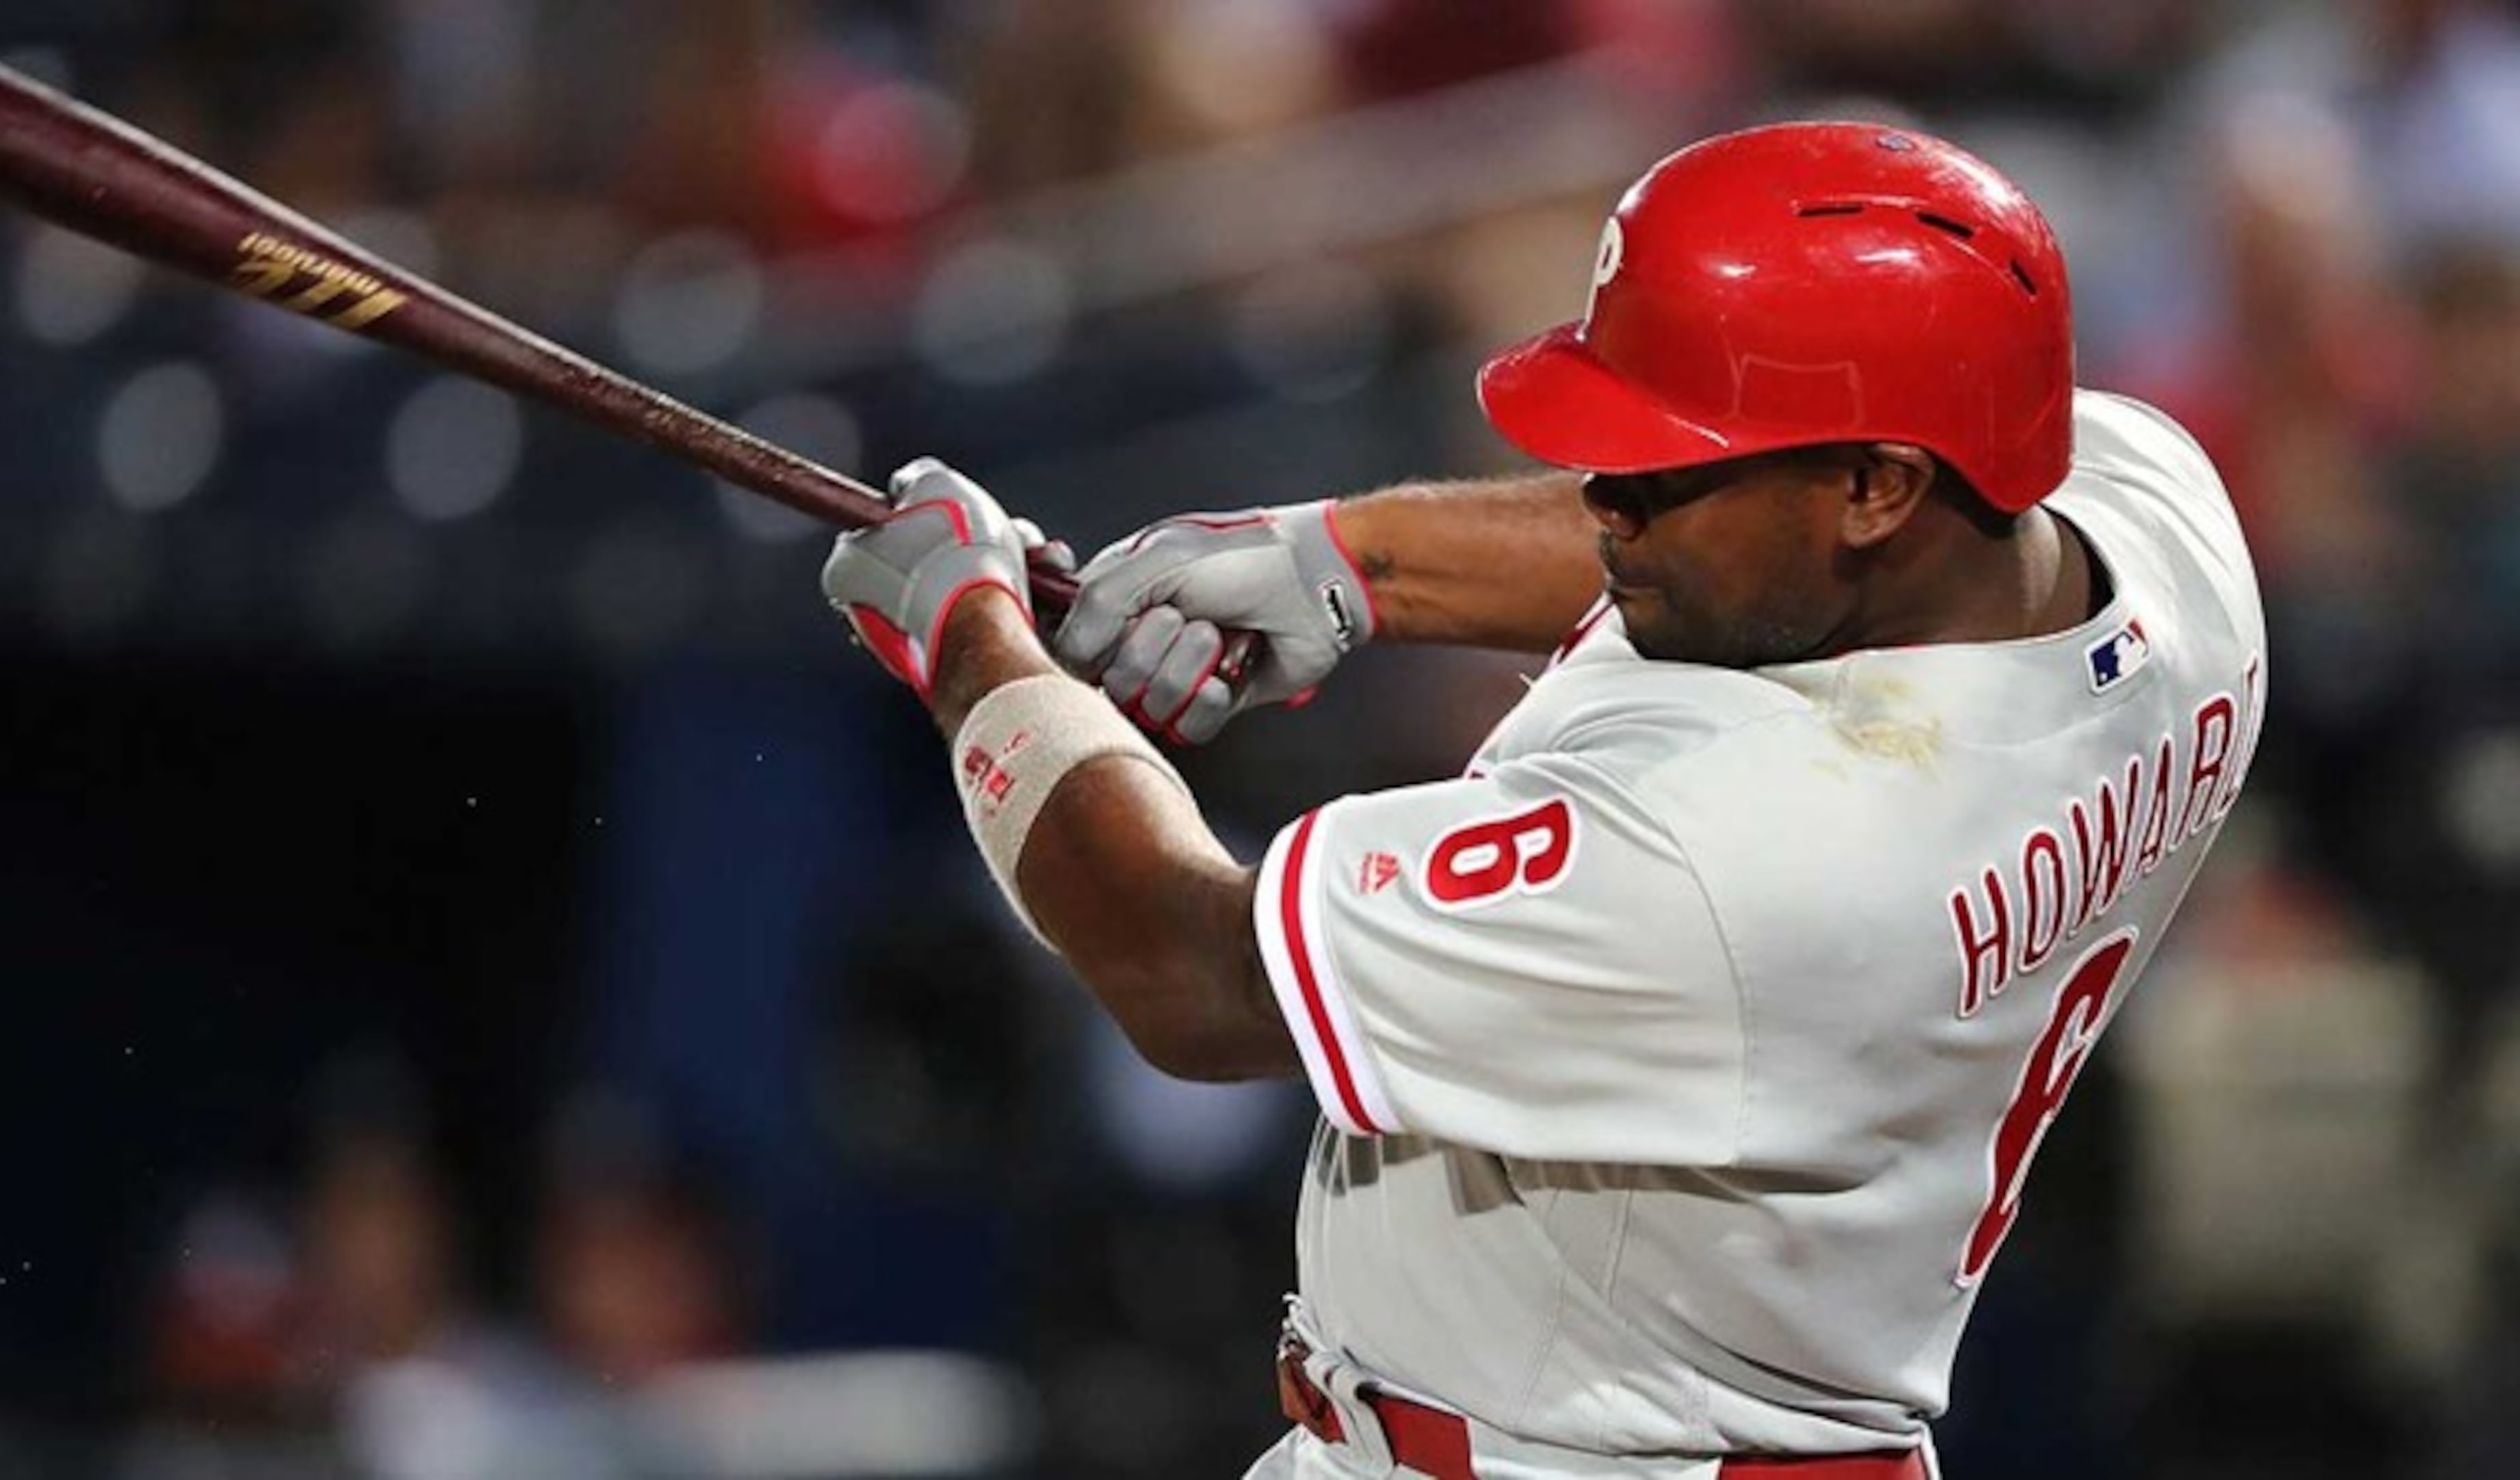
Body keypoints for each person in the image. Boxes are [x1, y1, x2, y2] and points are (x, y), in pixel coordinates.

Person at [821, 121, 2267, 1479]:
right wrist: (1357, 561)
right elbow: (1803, 547)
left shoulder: (1749, 857)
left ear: (1882, 486)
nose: (1603, 506)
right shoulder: (2162, 530)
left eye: (1662, 472)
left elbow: (1184, 969)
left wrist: (973, 650)